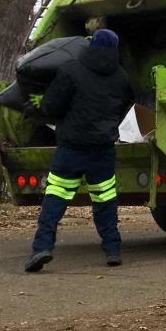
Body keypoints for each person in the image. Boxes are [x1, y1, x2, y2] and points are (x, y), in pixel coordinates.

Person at [24, 29, 134, 273]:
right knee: (105, 201)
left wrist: (40, 106)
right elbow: (124, 106)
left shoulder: (71, 70)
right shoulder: (121, 77)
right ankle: (113, 250)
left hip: (71, 148)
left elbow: (52, 106)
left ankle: (42, 248)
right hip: (103, 151)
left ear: (90, 45)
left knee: (55, 199)